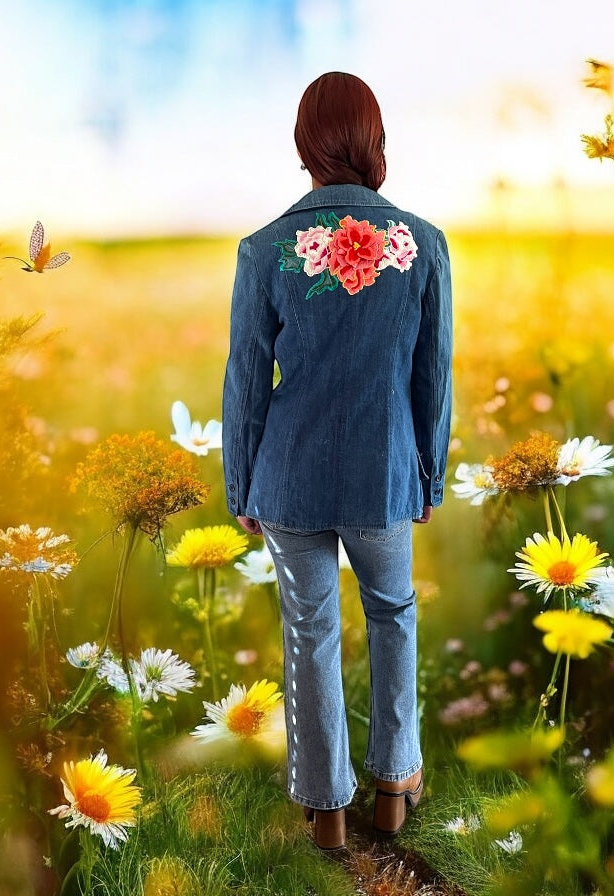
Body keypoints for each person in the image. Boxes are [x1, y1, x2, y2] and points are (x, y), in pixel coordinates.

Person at [222, 71, 452, 850]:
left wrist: (240, 483)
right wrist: (430, 473)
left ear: (305, 144)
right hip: (385, 473)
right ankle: (395, 784)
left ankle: (326, 812)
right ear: (372, 137)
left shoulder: (264, 250)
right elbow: (433, 373)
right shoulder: (422, 244)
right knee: (393, 617)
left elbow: (247, 382)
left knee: (309, 632)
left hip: (288, 477)